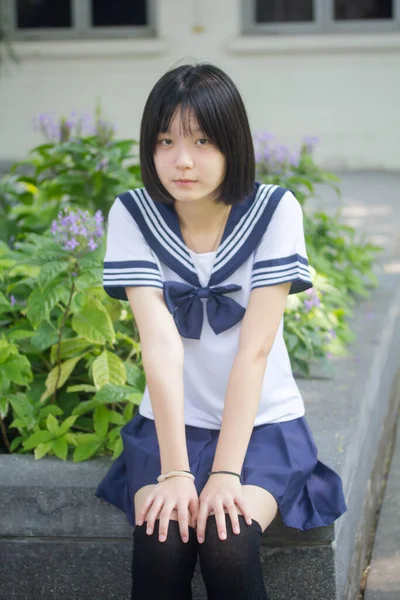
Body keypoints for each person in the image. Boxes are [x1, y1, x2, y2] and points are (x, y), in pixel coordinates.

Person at [96, 62, 347, 600]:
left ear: (233, 143)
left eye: (203, 140)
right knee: (162, 540)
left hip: (263, 429)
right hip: (168, 429)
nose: (181, 160)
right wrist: (177, 474)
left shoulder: (275, 210)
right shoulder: (132, 214)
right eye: (165, 140)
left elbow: (254, 352)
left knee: (226, 538)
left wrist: (227, 474)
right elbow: (160, 347)